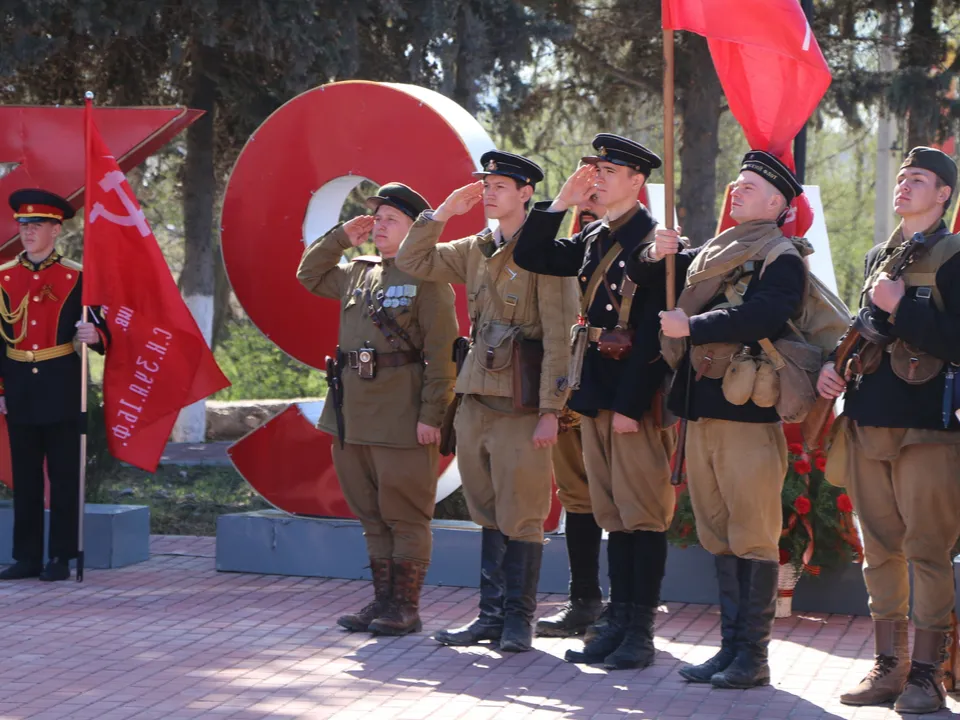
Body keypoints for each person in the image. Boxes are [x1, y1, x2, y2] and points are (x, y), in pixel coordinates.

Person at [630, 151, 807, 688]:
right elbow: (657, 285)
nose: (737, 190)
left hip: (747, 421)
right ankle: (731, 650)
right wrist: (656, 252)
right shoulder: (713, 253)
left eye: (750, 186)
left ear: (777, 203)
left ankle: (752, 657)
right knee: (718, 533)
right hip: (703, 413)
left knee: (751, 535)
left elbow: (764, 315)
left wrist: (694, 325)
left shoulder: (782, 257)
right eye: (736, 183)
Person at [396, 150, 579, 652]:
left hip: (522, 401)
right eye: (486, 183)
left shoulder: (547, 253)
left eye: (502, 183)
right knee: (487, 511)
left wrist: (550, 411)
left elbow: (563, 337)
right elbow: (412, 261)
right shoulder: (475, 247)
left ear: (526, 193)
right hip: (476, 395)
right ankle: (490, 616)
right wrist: (440, 215)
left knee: (522, 513)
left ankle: (519, 622)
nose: (490, 190)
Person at [513, 135, 675, 670]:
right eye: (595, 169)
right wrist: (559, 203)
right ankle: (620, 620)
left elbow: (654, 336)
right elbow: (532, 252)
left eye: (610, 170)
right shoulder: (593, 237)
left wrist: (631, 404)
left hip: (632, 395)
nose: (598, 177)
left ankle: (640, 630)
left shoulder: (658, 243)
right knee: (612, 513)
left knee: (641, 515)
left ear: (637, 182)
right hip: (597, 391)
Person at [818, 147, 960, 714]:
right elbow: (864, 331)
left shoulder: (953, 255)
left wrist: (905, 307)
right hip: (868, 417)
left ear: (943, 194)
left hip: (928, 427)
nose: (903, 186)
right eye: (901, 177)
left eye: (918, 179)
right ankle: (889, 667)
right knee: (879, 550)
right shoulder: (883, 254)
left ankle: (928, 675)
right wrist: (833, 367)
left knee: (927, 549)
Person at [296, 183, 458, 636]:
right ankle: (382, 601)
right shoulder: (359, 271)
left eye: (390, 220)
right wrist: (340, 237)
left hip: (402, 416)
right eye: (378, 217)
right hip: (352, 414)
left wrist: (432, 415)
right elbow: (308, 275)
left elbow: (443, 354)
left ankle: (405, 606)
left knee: (405, 514)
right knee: (370, 513)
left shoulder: (429, 280)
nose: (380, 226)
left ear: (414, 231)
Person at [0, 189, 107, 582]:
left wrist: (94, 335)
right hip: (18, 387)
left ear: (56, 230)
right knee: (25, 478)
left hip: (62, 382)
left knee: (63, 476)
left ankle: (61, 557)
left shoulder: (78, 277)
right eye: (23, 224)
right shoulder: (3, 276)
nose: (27, 232)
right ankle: (26, 557)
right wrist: (0, 392)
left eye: (36, 225)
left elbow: (105, 328)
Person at [535, 193, 608, 640]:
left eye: (596, 207)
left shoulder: (638, 254)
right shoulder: (559, 262)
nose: (587, 216)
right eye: (581, 210)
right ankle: (584, 599)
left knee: (624, 500)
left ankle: (629, 606)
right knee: (577, 499)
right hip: (565, 397)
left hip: (614, 397)